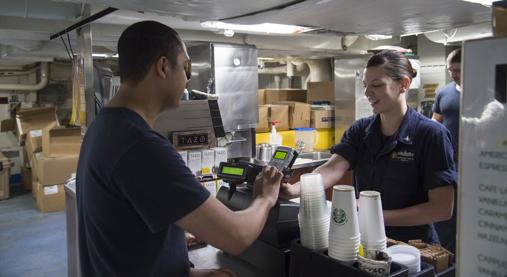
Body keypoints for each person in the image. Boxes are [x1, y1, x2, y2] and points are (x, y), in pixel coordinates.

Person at [76, 21, 282, 277]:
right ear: (163, 67)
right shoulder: (141, 146)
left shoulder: (103, 127)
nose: (187, 79)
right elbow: (236, 236)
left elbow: (122, 243)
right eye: (185, 68)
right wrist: (265, 198)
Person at [281, 50, 457, 244]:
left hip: (413, 248)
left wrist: (373, 215)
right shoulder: (360, 130)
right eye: (365, 86)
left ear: (404, 85)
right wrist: (295, 190)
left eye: (377, 85)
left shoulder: (431, 135)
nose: (367, 93)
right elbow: (332, 168)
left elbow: (441, 209)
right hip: (365, 241)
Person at [431, 48, 461, 253]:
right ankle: (445, 255)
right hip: (447, 163)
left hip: (474, 163)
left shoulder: (483, 91)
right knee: (446, 214)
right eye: (450, 70)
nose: (453, 74)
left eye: (457, 69)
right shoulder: (444, 92)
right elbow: (435, 122)